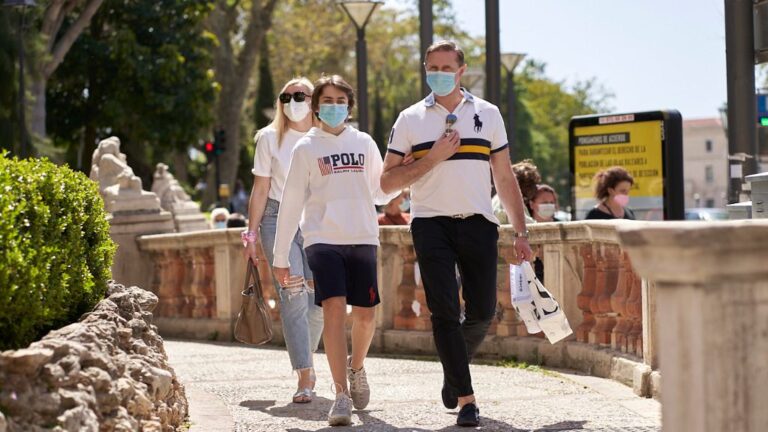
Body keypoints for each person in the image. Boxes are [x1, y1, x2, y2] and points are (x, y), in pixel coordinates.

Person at [380, 40, 533, 427]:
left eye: (447, 68)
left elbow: (504, 174)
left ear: (462, 71)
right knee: (444, 310)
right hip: (430, 223)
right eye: (433, 67)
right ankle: (466, 399)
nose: (439, 74)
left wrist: (521, 231)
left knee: (482, 310)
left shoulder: (488, 113)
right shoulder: (410, 119)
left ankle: (453, 370)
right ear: (425, 69)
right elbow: (386, 183)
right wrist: (432, 159)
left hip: (479, 222)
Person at [271, 75, 398, 426]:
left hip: (362, 237)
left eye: (340, 100)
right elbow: (291, 203)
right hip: (322, 240)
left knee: (366, 315)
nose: (333, 106)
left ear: (349, 106)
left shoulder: (365, 142)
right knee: (333, 310)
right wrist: (280, 257)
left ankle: (357, 368)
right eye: (326, 100)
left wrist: (410, 174)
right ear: (316, 106)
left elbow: (381, 192)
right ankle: (341, 394)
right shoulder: (306, 147)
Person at [242, 77, 324, 405]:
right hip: (277, 219)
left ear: (313, 99)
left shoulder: (326, 137)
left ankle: (309, 358)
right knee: (292, 296)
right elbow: (260, 189)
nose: (292, 100)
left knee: (319, 300)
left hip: (318, 218)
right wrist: (250, 235)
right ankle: (304, 374)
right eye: (286, 96)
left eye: (300, 94)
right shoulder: (267, 138)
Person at [493, 159, 538, 225]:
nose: (534, 188)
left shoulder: (502, 197)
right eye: (530, 184)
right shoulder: (508, 199)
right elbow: (520, 221)